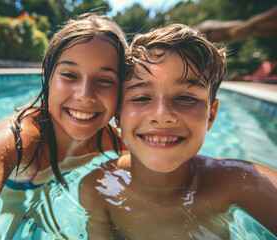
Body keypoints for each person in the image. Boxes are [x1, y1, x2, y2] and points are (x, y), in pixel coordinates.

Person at [0, 14, 128, 239]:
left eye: (105, 80)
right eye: (69, 75)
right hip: (12, 203)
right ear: (48, 79)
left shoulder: (109, 139)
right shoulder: (21, 136)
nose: (84, 95)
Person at [79, 23, 277, 239]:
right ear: (117, 115)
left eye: (186, 98)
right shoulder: (98, 187)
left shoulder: (241, 183)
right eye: (141, 98)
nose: (163, 115)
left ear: (210, 115)